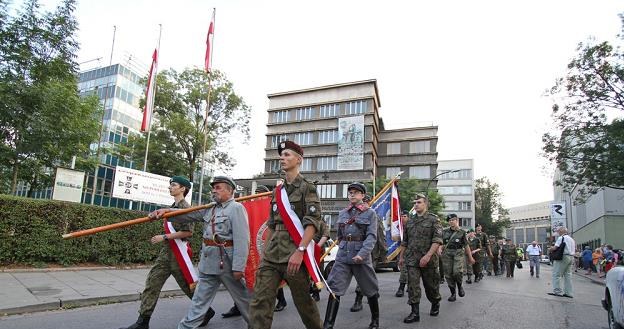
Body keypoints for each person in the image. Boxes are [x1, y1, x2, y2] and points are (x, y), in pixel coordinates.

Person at [150, 176, 251, 329]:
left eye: (218, 188)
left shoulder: (236, 208)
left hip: (227, 265)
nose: (214, 190)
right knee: (199, 302)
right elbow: (188, 214)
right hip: (208, 263)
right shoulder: (210, 208)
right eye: (213, 188)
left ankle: (258, 324)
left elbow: (243, 240)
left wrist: (239, 266)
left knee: (244, 301)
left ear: (230, 191)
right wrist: (166, 211)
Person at [119, 176, 215, 329]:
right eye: (170, 185)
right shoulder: (171, 206)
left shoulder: (186, 207)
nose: (170, 187)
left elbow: (187, 232)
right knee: (152, 284)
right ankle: (143, 322)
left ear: (183, 188)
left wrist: (164, 236)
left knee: (189, 287)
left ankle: (206, 311)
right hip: (167, 253)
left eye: (174, 185)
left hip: (178, 255)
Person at [249, 141, 323, 329]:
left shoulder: (308, 188)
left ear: (298, 160)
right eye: (281, 155)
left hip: (294, 253)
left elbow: (312, 224)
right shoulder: (278, 192)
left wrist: (300, 251)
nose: (282, 158)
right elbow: (272, 225)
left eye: (287, 155)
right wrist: (264, 255)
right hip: (272, 255)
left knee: (304, 304)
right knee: (260, 303)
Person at [323, 182, 380, 329]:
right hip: (343, 256)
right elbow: (340, 235)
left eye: (355, 192)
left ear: (362, 195)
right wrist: (342, 248)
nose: (352, 194)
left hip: (361, 256)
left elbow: (372, 237)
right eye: (350, 192)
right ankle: (328, 325)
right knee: (335, 288)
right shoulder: (343, 213)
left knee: (370, 289)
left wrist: (362, 254)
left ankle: (375, 320)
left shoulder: (370, 213)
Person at [221, 185, 272, 319]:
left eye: (260, 194)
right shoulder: (247, 206)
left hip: (266, 253)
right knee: (246, 279)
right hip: (248, 248)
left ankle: (268, 308)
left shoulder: (268, 207)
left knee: (269, 281)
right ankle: (239, 307)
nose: (257, 196)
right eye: (256, 193)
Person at [399, 193, 443, 323]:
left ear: (426, 204)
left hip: (428, 260)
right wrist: (401, 257)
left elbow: (437, 240)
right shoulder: (410, 221)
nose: (416, 204)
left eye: (419, 202)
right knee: (413, 286)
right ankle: (415, 313)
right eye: (415, 202)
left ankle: (435, 302)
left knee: (431, 287)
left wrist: (428, 255)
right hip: (412, 259)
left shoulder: (434, 220)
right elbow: (405, 241)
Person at [350, 193, 387, 313]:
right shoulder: (352, 216)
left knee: (366, 276)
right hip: (358, 251)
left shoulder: (373, 216)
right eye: (363, 202)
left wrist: (383, 252)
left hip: (372, 253)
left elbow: (380, 235)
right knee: (363, 277)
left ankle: (361, 299)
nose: (364, 204)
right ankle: (366, 296)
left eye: (366, 202)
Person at [440, 214, 475, 302]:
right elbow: (440, 243)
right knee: (448, 274)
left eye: (453, 220)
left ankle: (459, 286)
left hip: (458, 253)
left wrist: (470, 258)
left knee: (457, 272)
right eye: (450, 220)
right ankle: (453, 293)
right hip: (447, 254)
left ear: (457, 220)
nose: (451, 222)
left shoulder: (462, 232)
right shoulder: (444, 232)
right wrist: (439, 250)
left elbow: (466, 246)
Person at [547, 227, 576, 298]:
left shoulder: (561, 238)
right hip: (571, 257)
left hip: (563, 257)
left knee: (557, 274)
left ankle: (557, 291)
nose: (558, 233)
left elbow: (555, 248)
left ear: (561, 231)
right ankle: (569, 293)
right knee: (568, 275)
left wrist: (550, 248)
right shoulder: (571, 239)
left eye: (558, 231)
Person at [394, 210, 409, 297]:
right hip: (401, 250)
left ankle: (405, 287)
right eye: (401, 216)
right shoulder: (398, 227)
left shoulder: (411, 226)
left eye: (405, 216)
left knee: (410, 271)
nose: (403, 218)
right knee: (404, 270)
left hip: (411, 251)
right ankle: (402, 287)